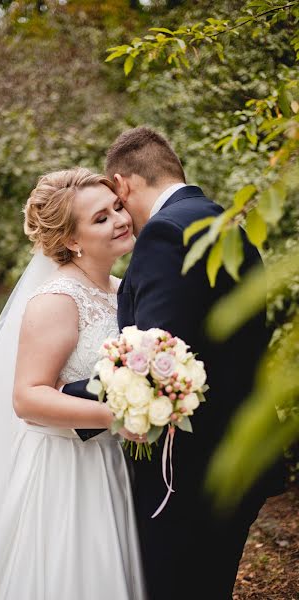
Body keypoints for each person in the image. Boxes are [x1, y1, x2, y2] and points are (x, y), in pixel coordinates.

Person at [63, 127, 285, 600]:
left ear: (121, 184)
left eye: (114, 205)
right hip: (233, 460)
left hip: (185, 476)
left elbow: (156, 362)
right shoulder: (222, 222)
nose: (120, 218)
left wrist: (63, 395)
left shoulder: (164, 234)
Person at [0, 168, 148, 600]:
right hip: (65, 467)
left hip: (112, 461)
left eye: (116, 207)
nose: (119, 219)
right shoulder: (57, 299)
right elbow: (28, 397)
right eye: (100, 218)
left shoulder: (121, 290)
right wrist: (119, 414)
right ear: (72, 241)